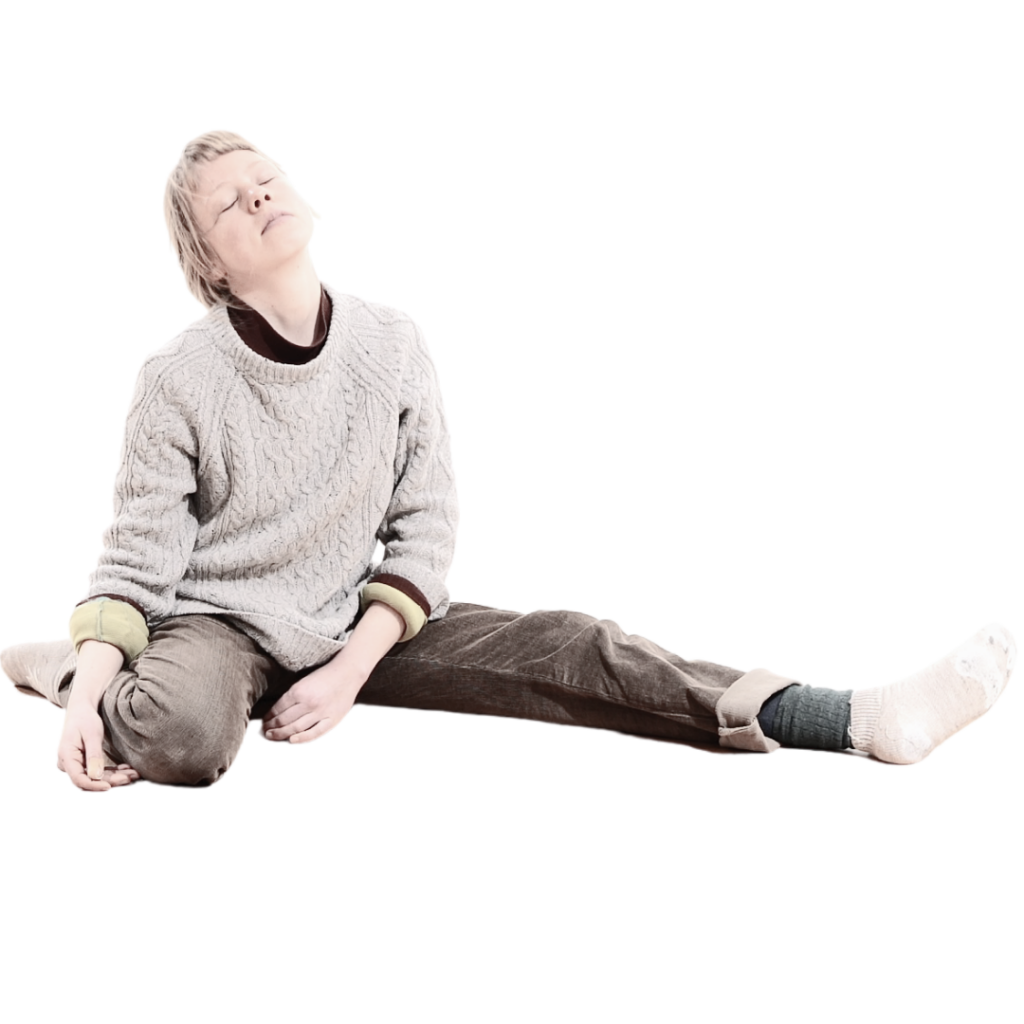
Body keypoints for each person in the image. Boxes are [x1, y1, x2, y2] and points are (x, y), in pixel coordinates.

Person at [0, 129, 1016, 791]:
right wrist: (87, 696)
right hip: (221, 621)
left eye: (268, 178)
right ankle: (67, 664)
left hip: (360, 616)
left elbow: (425, 528)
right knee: (181, 738)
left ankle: (852, 718)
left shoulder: (394, 341)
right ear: (210, 267)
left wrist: (349, 671)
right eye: (231, 203)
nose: (260, 195)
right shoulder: (176, 375)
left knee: (576, 645)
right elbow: (136, 555)